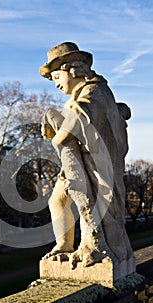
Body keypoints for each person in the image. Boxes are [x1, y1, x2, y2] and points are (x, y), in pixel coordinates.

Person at [39, 42, 135, 272]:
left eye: (56, 77)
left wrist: (55, 129)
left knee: (96, 207)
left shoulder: (94, 91)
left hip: (95, 164)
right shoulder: (83, 93)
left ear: (73, 69)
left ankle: (92, 245)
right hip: (79, 161)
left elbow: (76, 121)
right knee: (57, 200)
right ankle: (63, 245)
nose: (57, 84)